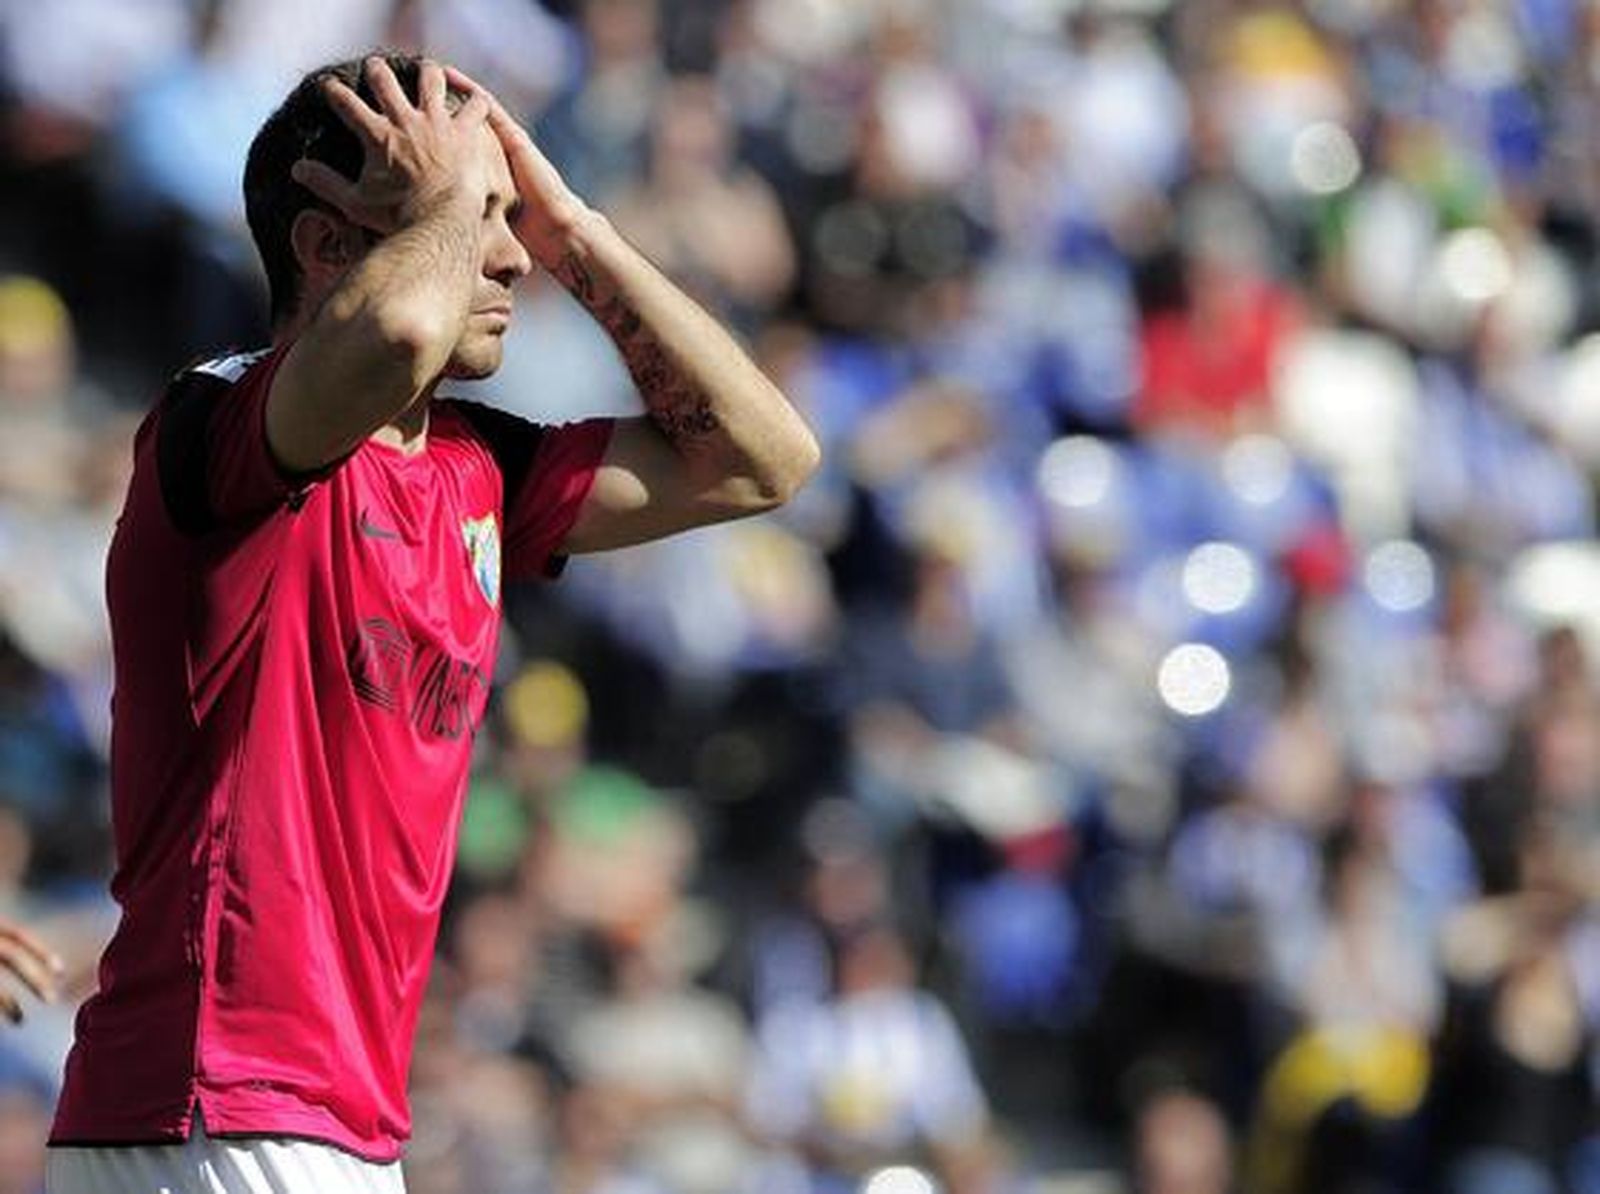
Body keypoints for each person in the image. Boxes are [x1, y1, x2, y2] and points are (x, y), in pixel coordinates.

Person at [44, 51, 819, 1194]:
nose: (505, 254)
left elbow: (764, 461)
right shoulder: (221, 422)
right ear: (326, 248)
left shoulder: (476, 469)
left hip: (324, 1122)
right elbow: (398, 333)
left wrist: (576, 233)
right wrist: (456, 203)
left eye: (506, 221)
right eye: (467, 217)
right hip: (216, 1097)